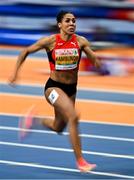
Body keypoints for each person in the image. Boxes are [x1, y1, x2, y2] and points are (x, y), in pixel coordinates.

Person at [9, 10, 101, 172]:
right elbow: (25, 52)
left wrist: (95, 61)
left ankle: (35, 120)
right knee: (73, 116)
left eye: (74, 21)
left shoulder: (81, 42)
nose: (72, 24)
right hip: (53, 87)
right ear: (60, 24)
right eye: (68, 21)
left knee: (59, 127)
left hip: (71, 89)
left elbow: (96, 62)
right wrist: (15, 74)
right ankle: (80, 161)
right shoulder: (50, 42)